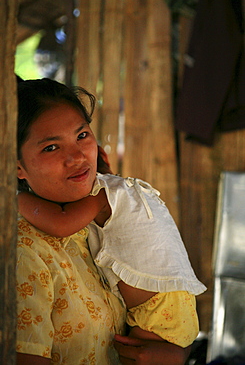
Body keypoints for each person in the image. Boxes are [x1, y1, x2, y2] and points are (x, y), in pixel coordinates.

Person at [16, 77, 206, 365]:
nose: (78, 156)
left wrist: (177, 354)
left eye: (82, 136)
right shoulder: (22, 249)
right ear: (15, 165)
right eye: (51, 148)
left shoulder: (98, 214)